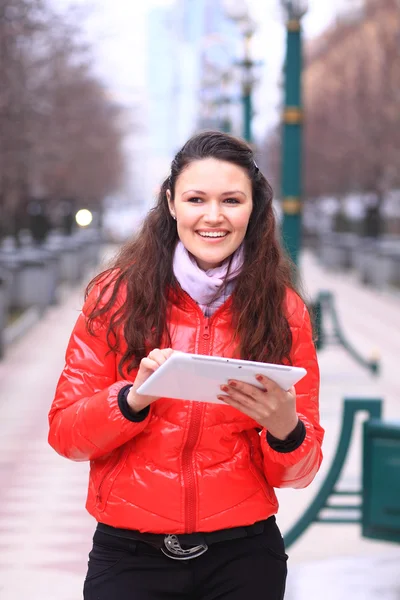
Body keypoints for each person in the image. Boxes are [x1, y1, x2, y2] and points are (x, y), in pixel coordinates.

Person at [48, 131, 324, 600]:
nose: (213, 216)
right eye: (197, 199)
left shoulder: (283, 309)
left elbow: (298, 472)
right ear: (171, 202)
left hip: (244, 557)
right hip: (129, 556)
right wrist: (132, 400)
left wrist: (286, 431)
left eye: (232, 200)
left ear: (253, 208)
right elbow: (65, 436)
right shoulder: (116, 297)